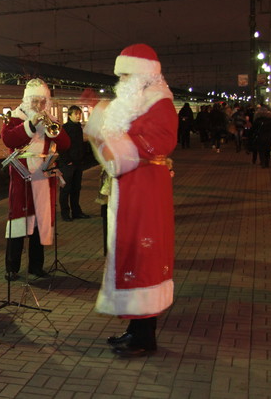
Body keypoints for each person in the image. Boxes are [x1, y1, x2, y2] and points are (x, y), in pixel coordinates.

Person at [84, 44, 176, 358]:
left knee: (143, 255)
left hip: (145, 192)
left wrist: (107, 134)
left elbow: (157, 143)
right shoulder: (136, 102)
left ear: (141, 74)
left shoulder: (159, 103)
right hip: (133, 189)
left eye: (125, 74)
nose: (120, 80)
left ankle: (144, 337)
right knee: (130, 255)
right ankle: (135, 328)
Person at [0, 78, 70, 280]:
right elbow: (9, 139)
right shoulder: (14, 117)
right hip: (22, 178)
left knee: (40, 223)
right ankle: (11, 268)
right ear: (27, 100)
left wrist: (51, 127)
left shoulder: (50, 119)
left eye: (42, 102)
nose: (39, 106)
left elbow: (65, 143)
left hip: (43, 177)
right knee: (18, 224)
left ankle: (36, 266)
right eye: (35, 101)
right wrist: (31, 124)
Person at [58, 105, 91, 222]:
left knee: (76, 188)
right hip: (68, 164)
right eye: (76, 114)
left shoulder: (78, 127)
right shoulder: (65, 128)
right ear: (69, 115)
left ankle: (76, 211)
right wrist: (68, 160)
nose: (78, 116)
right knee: (66, 189)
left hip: (77, 163)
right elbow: (61, 147)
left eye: (79, 114)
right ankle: (65, 213)